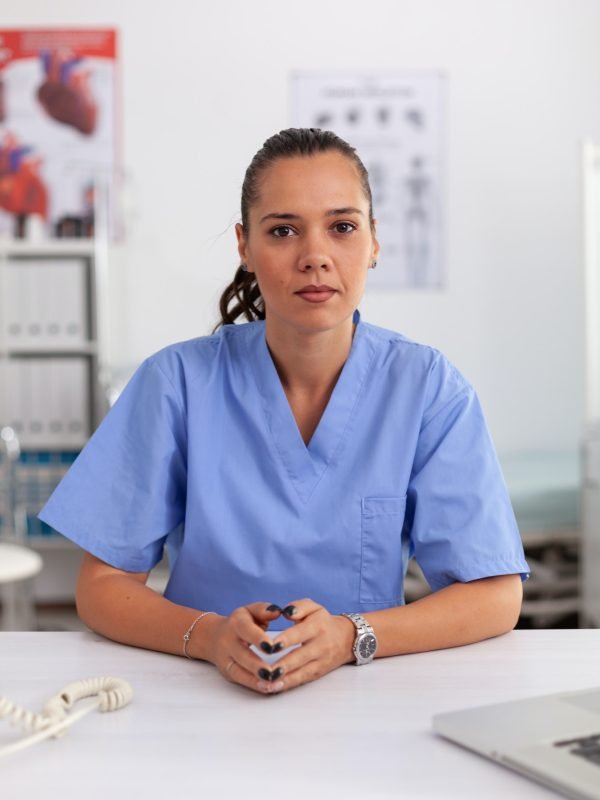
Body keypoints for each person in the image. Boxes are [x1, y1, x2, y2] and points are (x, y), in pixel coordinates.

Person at [39, 128, 529, 696]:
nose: (315, 256)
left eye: (343, 227)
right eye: (283, 231)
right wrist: (209, 636)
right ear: (245, 247)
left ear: (374, 241)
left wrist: (352, 636)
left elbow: (496, 595)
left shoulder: (426, 388)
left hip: (367, 699)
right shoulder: (176, 383)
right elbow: (102, 584)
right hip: (196, 694)